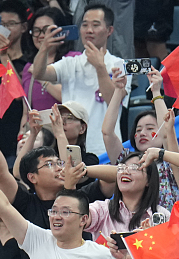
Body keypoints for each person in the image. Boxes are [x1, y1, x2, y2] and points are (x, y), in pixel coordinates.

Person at [30, 5, 130, 157]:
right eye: (85, 25)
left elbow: (112, 100)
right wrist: (44, 48)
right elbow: (39, 74)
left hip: (106, 148)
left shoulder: (120, 65)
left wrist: (100, 67)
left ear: (109, 30)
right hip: (71, 148)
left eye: (95, 25)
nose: (89, 30)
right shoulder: (70, 63)